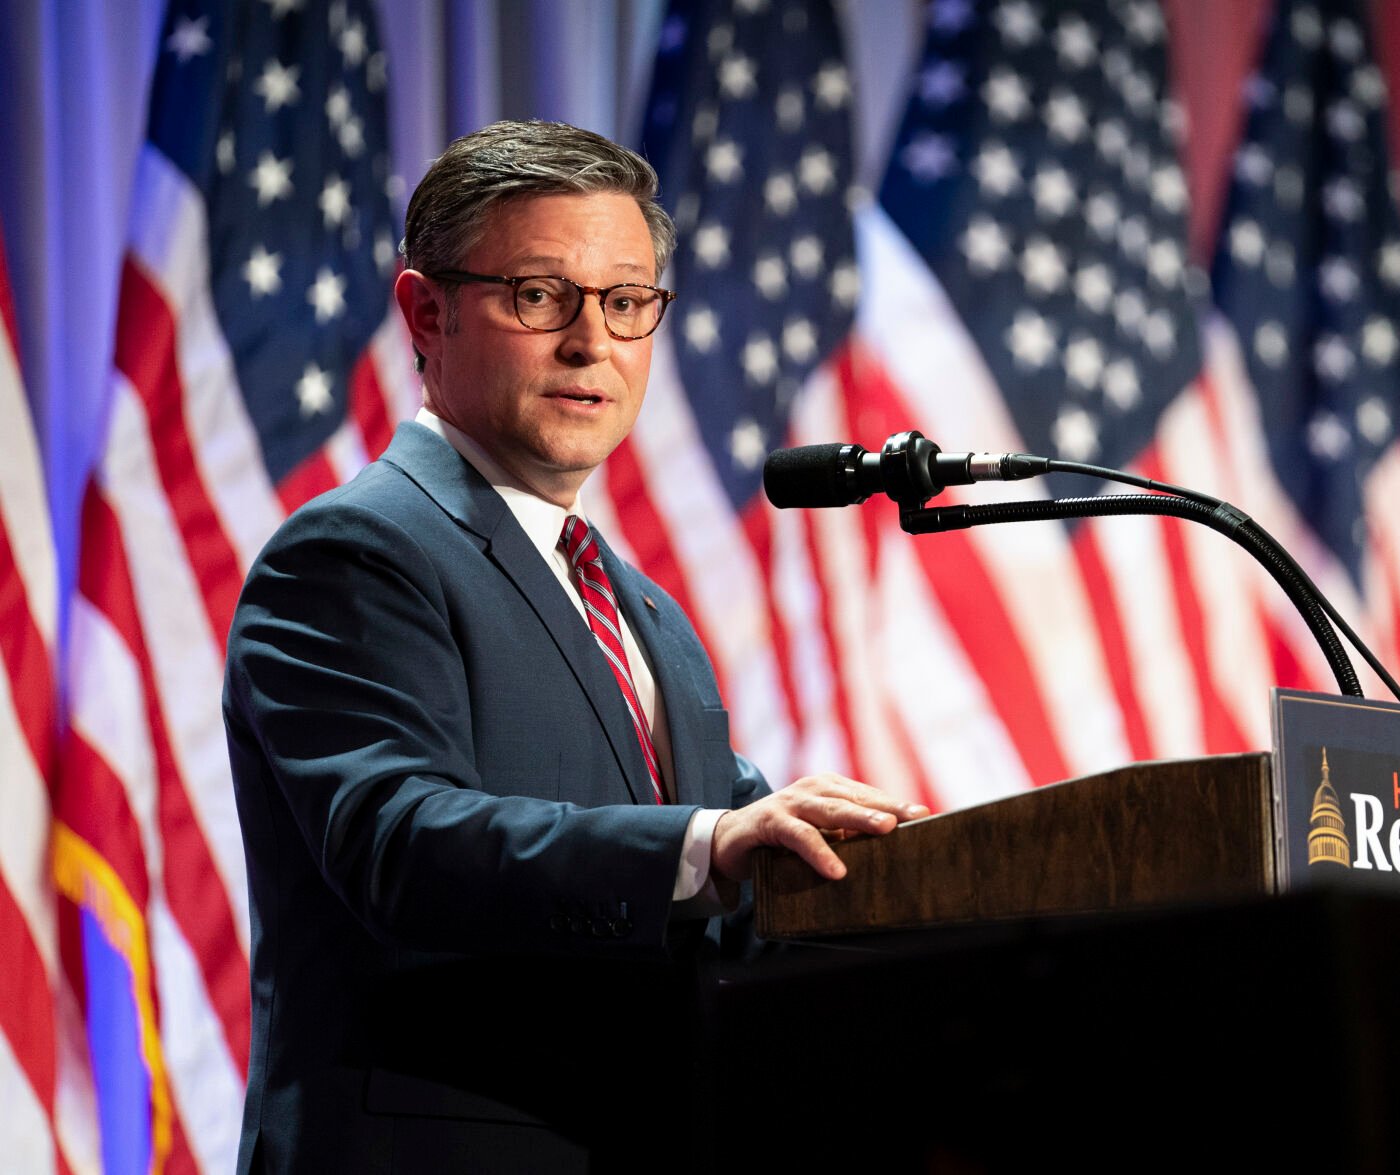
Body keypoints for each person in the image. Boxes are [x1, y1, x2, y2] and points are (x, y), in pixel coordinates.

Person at [222, 119, 925, 1173]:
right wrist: (709, 842)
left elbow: (729, 887)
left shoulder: (641, 609)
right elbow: (399, 838)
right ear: (427, 311)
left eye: (626, 301)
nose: (591, 342)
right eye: (539, 295)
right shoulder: (354, 551)